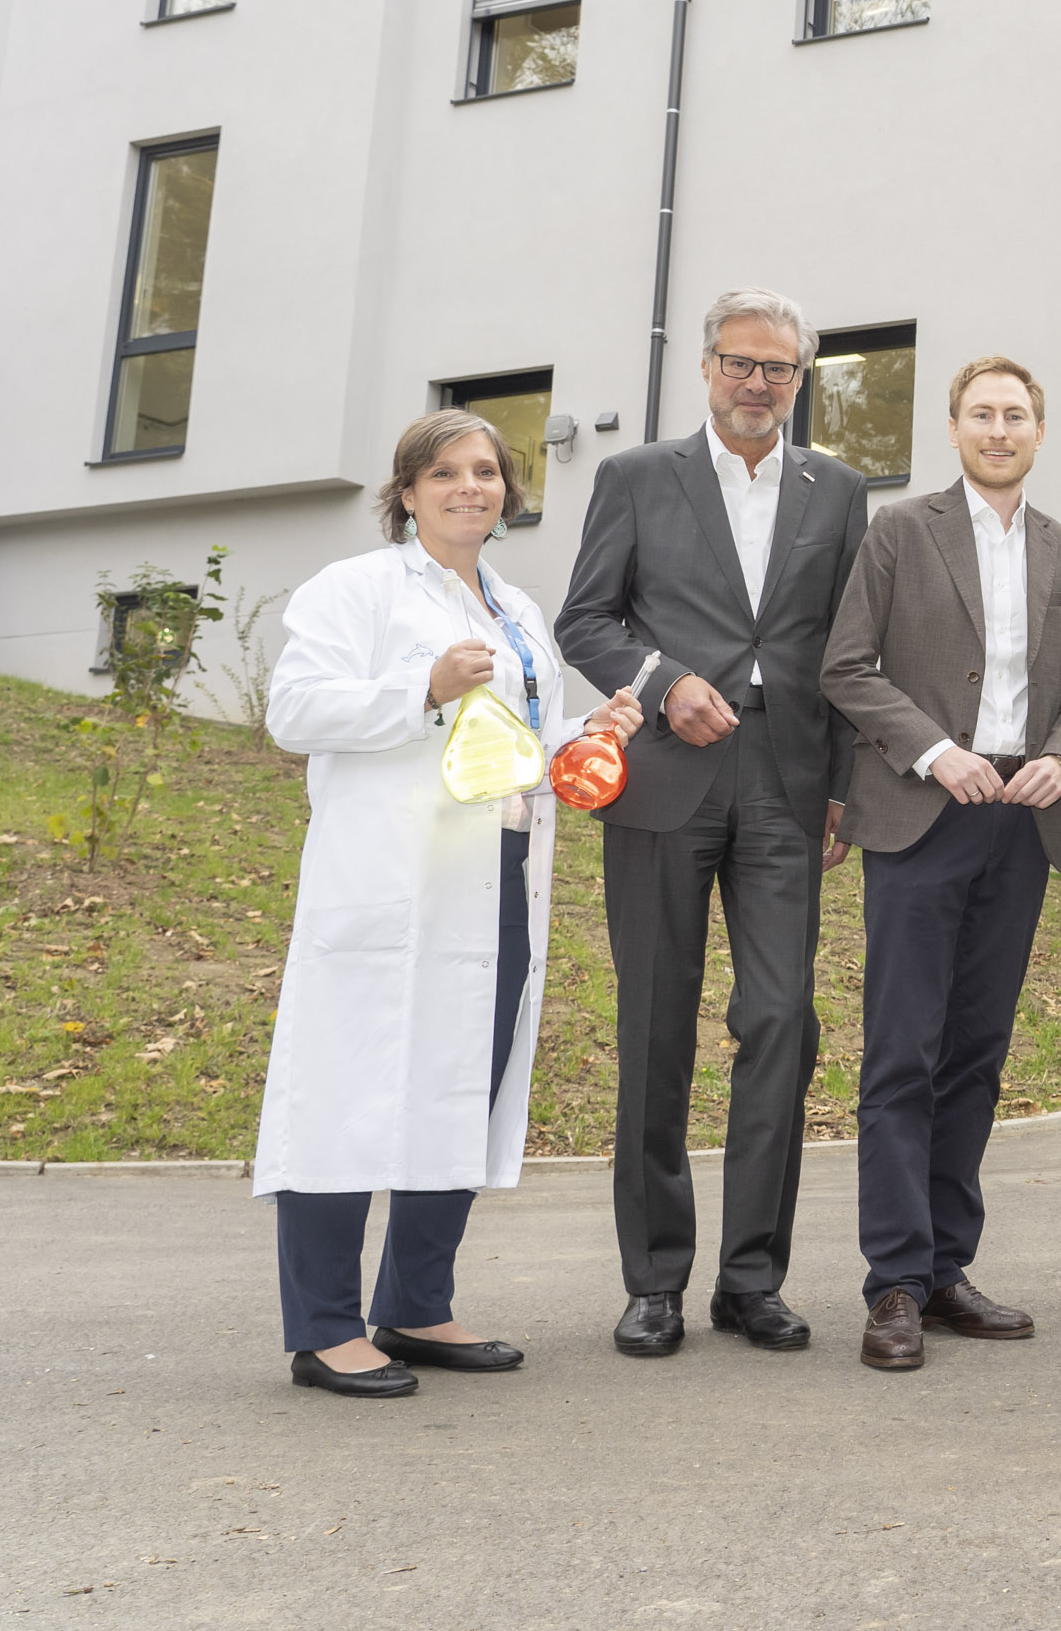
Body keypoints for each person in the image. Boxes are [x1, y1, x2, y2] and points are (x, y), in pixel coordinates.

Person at [254, 409, 643, 1396]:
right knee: (346, 1090)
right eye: (447, 472)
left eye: (487, 471)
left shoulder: (516, 606)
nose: (472, 486)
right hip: (389, 880)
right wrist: (420, 683)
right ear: (408, 489)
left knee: (457, 1085)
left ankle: (418, 1303)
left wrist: (584, 730)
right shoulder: (360, 588)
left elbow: (513, 737)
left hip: (496, 876)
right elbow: (294, 709)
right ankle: (327, 1326)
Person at [558, 289, 870, 1360]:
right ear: (706, 366)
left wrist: (842, 785)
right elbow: (585, 618)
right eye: (741, 361)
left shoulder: (838, 491)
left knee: (782, 1019)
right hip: (664, 780)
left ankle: (752, 1277)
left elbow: (842, 648)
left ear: (800, 380)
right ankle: (654, 1280)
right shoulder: (638, 477)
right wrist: (667, 676)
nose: (758, 382)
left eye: (779, 368)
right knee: (656, 1023)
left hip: (785, 785)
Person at [820, 356, 1061, 1371]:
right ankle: (893, 1281)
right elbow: (846, 665)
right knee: (903, 1050)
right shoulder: (899, 531)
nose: (999, 428)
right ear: (953, 427)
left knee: (976, 1053)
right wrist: (936, 751)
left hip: (1016, 823)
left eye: (1016, 414)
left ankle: (946, 1267)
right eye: (982, 413)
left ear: (1039, 429)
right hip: (917, 810)